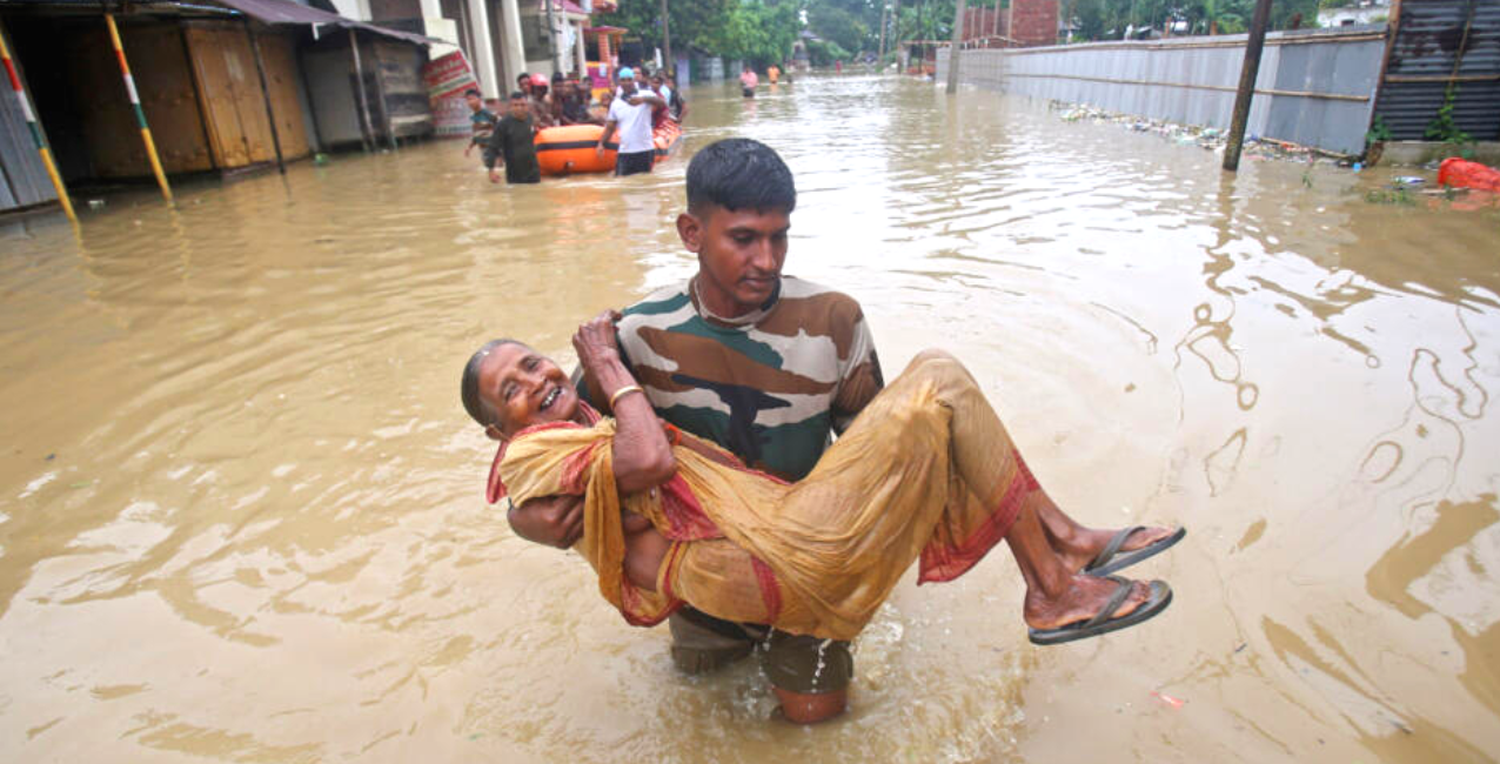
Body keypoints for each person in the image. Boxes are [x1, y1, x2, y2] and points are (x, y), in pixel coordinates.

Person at [496, 139, 1186, 722]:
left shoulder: (833, 320)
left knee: (816, 731)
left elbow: (882, 452)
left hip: (811, 558)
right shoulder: (634, 338)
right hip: (703, 589)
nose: (765, 259)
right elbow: (547, 453)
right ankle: (1059, 553)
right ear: (690, 232)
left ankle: (1054, 562)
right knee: (699, 709)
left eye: (779, 235)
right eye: (743, 239)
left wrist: (885, 541)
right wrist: (524, 525)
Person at [596, 67, 665, 177]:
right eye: (623, 80)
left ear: (634, 80)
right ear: (619, 82)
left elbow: (662, 103)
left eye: (629, 79)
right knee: (621, 182)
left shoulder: (646, 94)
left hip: (645, 150)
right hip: (625, 151)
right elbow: (610, 127)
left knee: (645, 183)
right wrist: (601, 144)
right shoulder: (616, 103)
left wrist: (643, 100)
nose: (627, 83)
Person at [483, 91, 541, 185]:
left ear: (527, 106)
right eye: (515, 105)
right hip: (515, 173)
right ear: (510, 107)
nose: (519, 108)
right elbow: (492, 147)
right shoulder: (503, 124)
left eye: (522, 105)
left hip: (533, 171)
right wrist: (491, 170)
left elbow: (532, 135)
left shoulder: (530, 118)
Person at [462, 88, 497, 159]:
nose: (470, 102)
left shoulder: (489, 114)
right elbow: (476, 135)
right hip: (483, 151)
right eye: (468, 100)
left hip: (494, 150)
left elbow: (502, 129)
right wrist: (469, 147)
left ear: (479, 100)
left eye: (472, 99)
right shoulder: (472, 117)